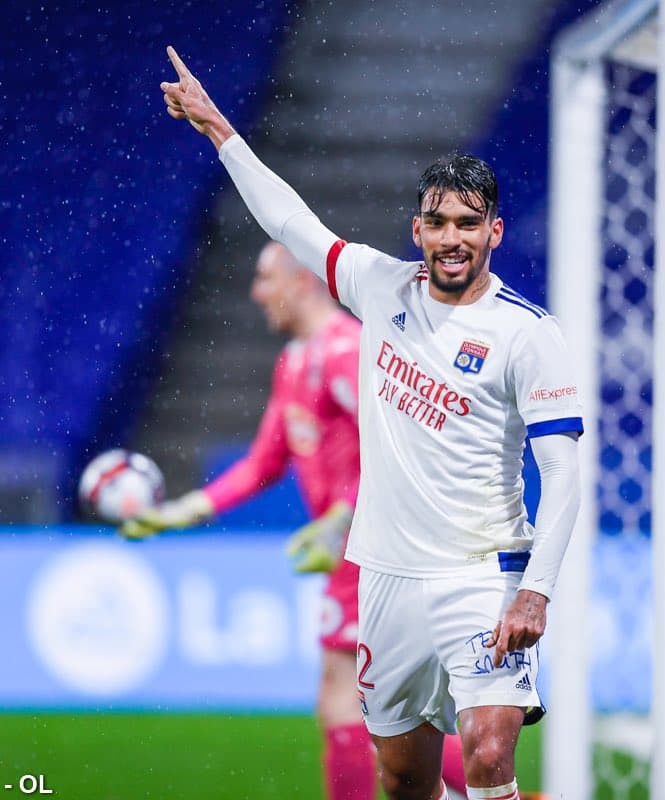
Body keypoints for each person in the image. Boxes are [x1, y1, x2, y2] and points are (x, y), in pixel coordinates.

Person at [158, 46, 581, 800]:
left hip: (483, 574)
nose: (452, 236)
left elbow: (562, 472)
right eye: (437, 222)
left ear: (495, 233)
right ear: (415, 230)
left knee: (486, 754)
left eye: (468, 223)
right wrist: (220, 130)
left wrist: (536, 591)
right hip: (383, 577)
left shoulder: (529, 333)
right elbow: (290, 221)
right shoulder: (378, 288)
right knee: (402, 775)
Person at [119, 240, 469, 800]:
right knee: (365, 699)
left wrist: (341, 516)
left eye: (266, 278)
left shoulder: (346, 351)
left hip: (378, 547)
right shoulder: (297, 360)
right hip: (349, 551)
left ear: (302, 281)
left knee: (352, 696)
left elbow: (402, 444)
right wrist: (185, 511)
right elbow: (264, 462)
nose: (257, 293)